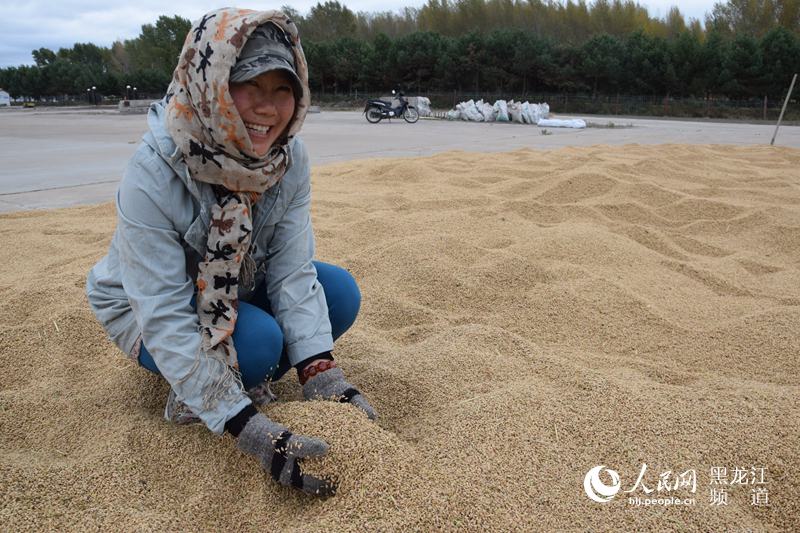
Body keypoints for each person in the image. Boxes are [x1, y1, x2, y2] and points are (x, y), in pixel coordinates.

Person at [86, 7, 377, 497]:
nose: (268, 107)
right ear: (212, 82)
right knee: (261, 343)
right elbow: (160, 311)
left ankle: (232, 375)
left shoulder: (288, 159)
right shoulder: (155, 170)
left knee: (339, 292)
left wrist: (320, 371)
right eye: (250, 86)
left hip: (235, 281)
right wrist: (245, 425)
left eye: (282, 89)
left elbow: (290, 269)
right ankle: (196, 396)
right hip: (147, 309)